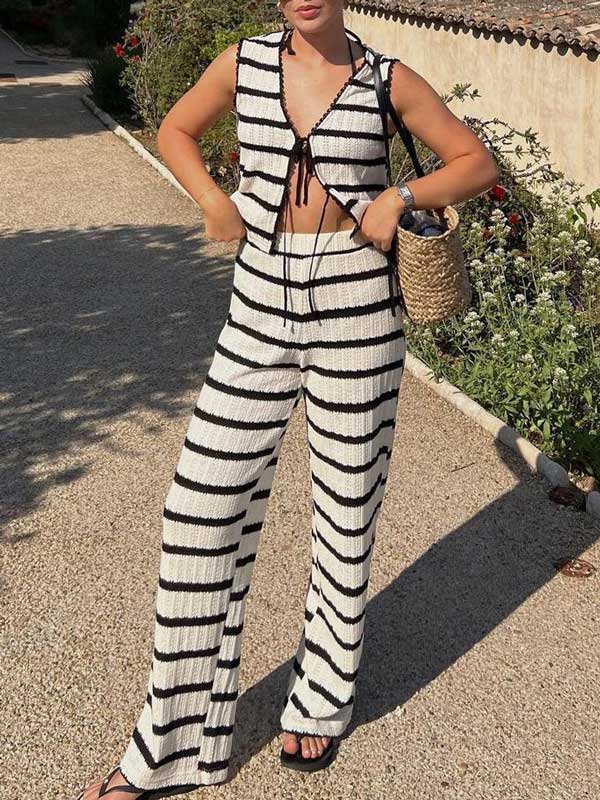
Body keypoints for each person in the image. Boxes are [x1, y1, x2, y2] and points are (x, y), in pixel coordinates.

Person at [75, 1, 499, 798]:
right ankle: (173, 744)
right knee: (199, 509)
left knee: (346, 511)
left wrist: (397, 198)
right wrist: (211, 199)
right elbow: (176, 130)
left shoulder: (385, 78)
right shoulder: (242, 63)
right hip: (259, 297)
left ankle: (323, 698)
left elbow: (476, 162)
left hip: (358, 302)